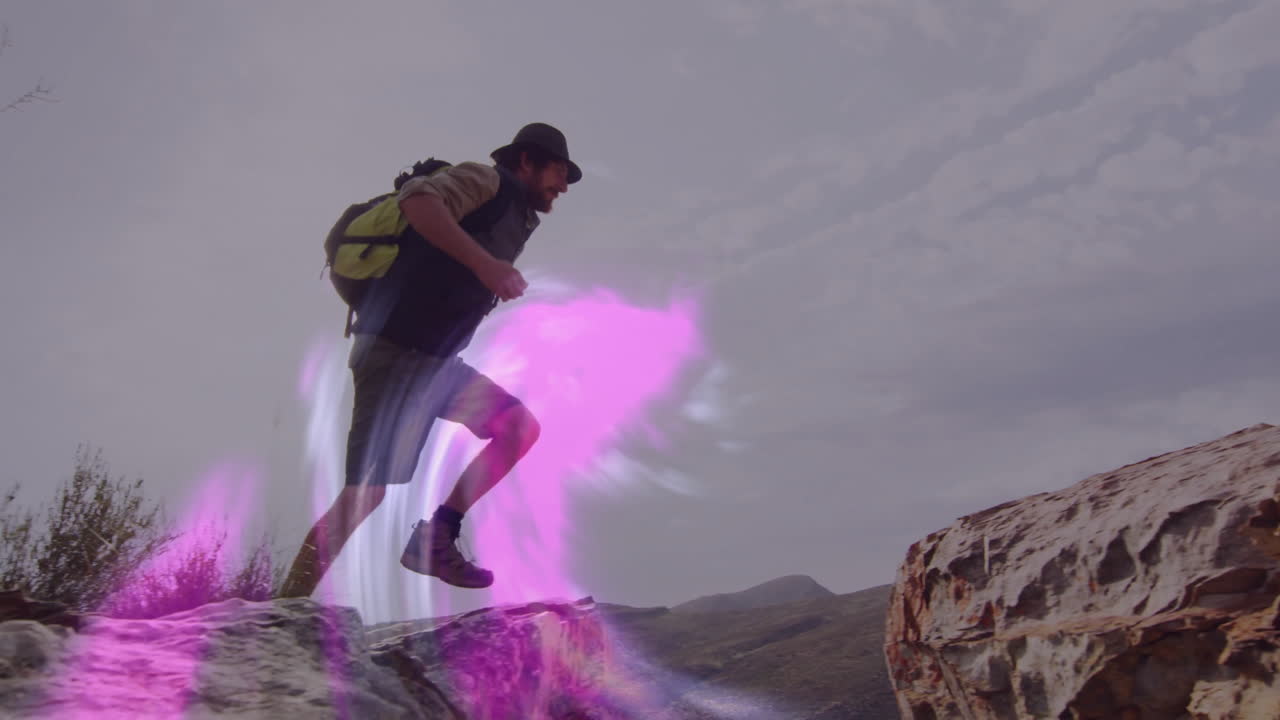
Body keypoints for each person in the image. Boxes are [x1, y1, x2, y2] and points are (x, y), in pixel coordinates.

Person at [280, 123, 582, 597]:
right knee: (367, 493)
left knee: (517, 427)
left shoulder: (515, 216)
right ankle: (281, 610)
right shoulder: (488, 181)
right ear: (527, 160)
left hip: (436, 364)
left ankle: (435, 538)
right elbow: (418, 202)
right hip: (396, 351)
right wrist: (485, 264)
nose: (563, 186)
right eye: (559, 171)